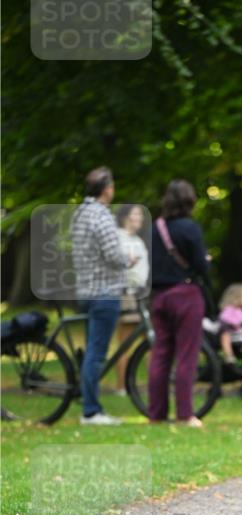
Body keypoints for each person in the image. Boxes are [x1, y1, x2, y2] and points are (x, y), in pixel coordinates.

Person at [71, 166, 139, 425]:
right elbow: (113, 254)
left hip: (86, 290)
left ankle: (90, 405)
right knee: (97, 353)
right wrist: (129, 258)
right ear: (107, 189)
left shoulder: (80, 213)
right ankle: (91, 411)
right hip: (104, 291)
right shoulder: (101, 215)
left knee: (92, 350)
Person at [148, 179, 210, 427]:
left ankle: (156, 415)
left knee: (160, 354)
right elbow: (200, 266)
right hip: (185, 295)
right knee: (186, 355)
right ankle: (184, 414)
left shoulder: (155, 228)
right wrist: (207, 262)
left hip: (159, 297)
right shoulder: (190, 228)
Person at [114, 204, 149, 394]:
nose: (140, 218)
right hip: (127, 294)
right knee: (126, 342)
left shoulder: (137, 240)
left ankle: (154, 384)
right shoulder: (119, 239)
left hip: (140, 294)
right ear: (126, 217)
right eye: (137, 214)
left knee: (150, 341)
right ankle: (121, 386)